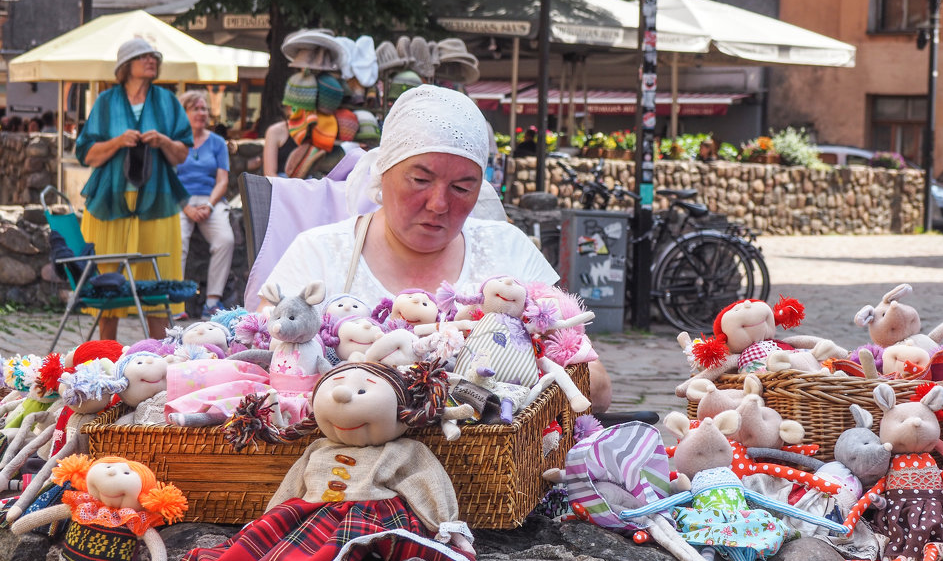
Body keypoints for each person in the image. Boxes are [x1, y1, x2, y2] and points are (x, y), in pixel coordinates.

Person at [258, 85, 612, 411]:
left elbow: (595, 389)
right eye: (420, 180)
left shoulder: (508, 249)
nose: (439, 203)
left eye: (461, 187)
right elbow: (259, 368)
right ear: (384, 172)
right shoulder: (318, 254)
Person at [75, 37, 192, 340]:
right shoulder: (106, 101)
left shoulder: (168, 102)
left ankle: (159, 360)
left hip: (158, 201)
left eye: (154, 56)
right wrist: (117, 142)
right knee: (107, 281)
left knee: (159, 282)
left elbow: (181, 154)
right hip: (109, 201)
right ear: (126, 66)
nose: (151, 60)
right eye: (143, 57)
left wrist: (164, 141)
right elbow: (86, 154)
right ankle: (106, 356)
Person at [176, 90, 235, 317]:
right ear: (184, 113)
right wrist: (186, 207)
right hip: (181, 201)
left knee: (225, 239)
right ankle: (176, 304)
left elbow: (222, 181)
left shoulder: (218, 142)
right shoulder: (174, 142)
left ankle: (212, 302)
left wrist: (209, 205)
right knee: (178, 239)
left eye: (204, 108)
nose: (202, 113)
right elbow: (169, 181)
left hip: (211, 200)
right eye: (196, 108)